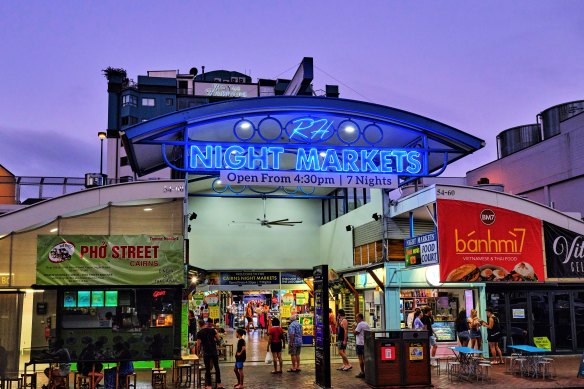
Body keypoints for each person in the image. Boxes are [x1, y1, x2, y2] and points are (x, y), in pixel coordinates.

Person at [196, 321, 225, 389]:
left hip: (206, 352)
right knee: (216, 367)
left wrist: (198, 353)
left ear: (199, 325)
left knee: (208, 369)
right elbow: (218, 339)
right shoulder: (212, 330)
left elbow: (198, 344)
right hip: (214, 351)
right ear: (205, 324)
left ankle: (209, 385)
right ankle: (219, 384)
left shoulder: (199, 333)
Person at [353, 313, 370, 379]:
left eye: (357, 317)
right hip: (365, 343)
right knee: (365, 358)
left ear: (360, 318)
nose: (356, 319)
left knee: (360, 359)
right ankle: (367, 372)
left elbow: (356, 333)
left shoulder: (359, 324)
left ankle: (362, 372)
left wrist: (353, 327)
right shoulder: (366, 324)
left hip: (360, 344)